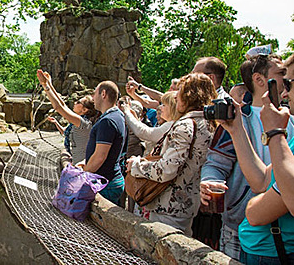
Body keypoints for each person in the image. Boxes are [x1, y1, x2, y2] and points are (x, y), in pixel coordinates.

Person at [201, 54, 294, 260]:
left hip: (282, 241)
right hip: (242, 229)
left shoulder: (288, 122)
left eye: (289, 79)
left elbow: (261, 196)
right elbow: (218, 164)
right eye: (282, 76)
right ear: (259, 80)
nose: (286, 86)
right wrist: (210, 181)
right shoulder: (236, 118)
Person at [126, 73, 216, 235]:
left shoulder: (185, 126)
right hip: (187, 205)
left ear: (189, 97)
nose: (176, 99)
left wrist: (136, 165)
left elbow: (166, 170)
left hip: (168, 207)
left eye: (179, 94)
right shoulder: (208, 124)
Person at [241, 75, 294, 264]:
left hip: (276, 252)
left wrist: (275, 132)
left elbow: (256, 215)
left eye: (289, 84)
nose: (285, 93)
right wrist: (235, 128)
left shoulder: (280, 130)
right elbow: (262, 180)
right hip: (260, 248)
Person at [79, 80, 126, 206]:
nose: (93, 98)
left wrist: (82, 176)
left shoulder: (108, 121)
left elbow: (100, 157)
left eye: (95, 94)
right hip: (110, 179)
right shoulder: (118, 115)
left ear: (103, 94)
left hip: (105, 183)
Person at [37, 70, 98, 165]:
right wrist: (49, 84)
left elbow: (58, 107)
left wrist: (45, 86)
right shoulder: (81, 120)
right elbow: (62, 105)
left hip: (80, 167)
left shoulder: (83, 123)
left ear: (84, 110)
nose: (75, 102)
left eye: (78, 102)